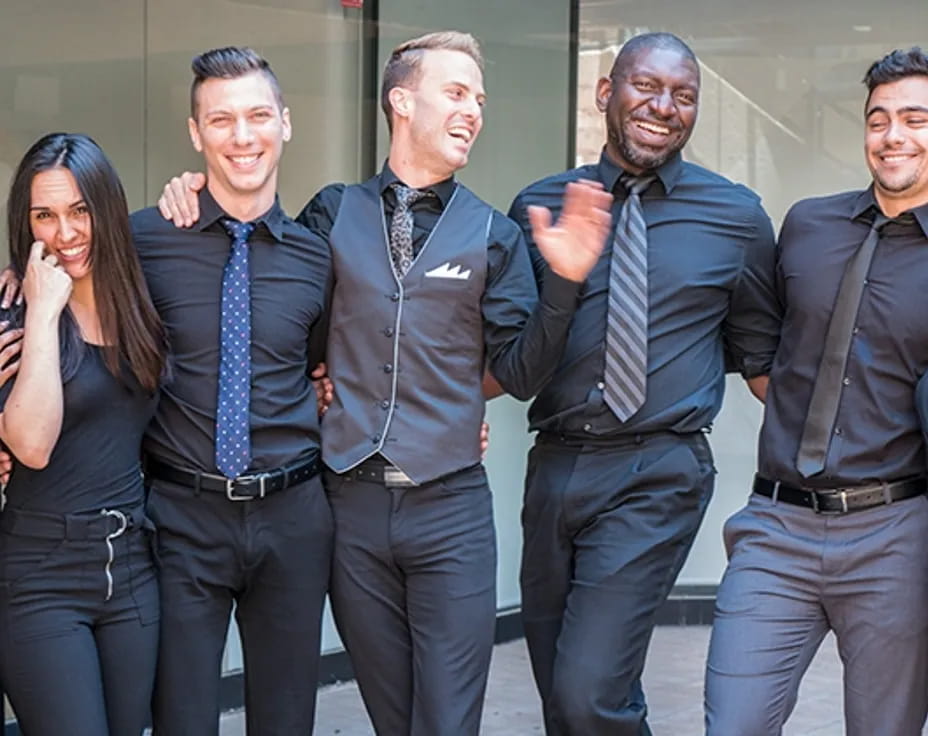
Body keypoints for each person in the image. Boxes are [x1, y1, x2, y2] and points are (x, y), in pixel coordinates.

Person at [158, 29, 612, 736]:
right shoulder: (329, 214)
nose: (473, 112)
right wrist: (190, 190)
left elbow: (521, 374)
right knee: (392, 718)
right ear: (401, 100)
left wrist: (566, 284)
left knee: (448, 720)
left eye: (480, 99)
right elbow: (292, 331)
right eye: (456, 93)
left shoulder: (493, 234)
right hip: (350, 509)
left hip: (451, 510)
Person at [504, 32, 780, 735]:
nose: (664, 107)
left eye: (683, 96)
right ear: (607, 92)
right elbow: (513, 357)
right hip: (556, 468)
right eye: (647, 87)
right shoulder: (538, 208)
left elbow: (762, 363)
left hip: (658, 470)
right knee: (563, 694)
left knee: (589, 692)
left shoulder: (737, 219)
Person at [704, 46, 928, 736]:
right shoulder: (808, 224)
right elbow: (771, 350)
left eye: (917, 119)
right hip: (777, 527)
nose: (894, 137)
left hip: (896, 533)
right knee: (733, 723)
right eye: (879, 119)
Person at [132, 47, 332, 734]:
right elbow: (59, 262)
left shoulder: (316, 255)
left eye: (256, 117)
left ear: (284, 122)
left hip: (294, 516)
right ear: (196, 133)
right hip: (181, 517)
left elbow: (325, 365)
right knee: (182, 716)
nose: (241, 137)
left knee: (285, 718)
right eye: (221, 120)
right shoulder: (145, 239)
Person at [0, 132, 166, 735]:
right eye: (44, 215)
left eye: (79, 210)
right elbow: (31, 443)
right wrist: (44, 312)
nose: (65, 233)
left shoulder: (142, 302)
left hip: (131, 568)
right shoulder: (13, 311)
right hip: (41, 572)